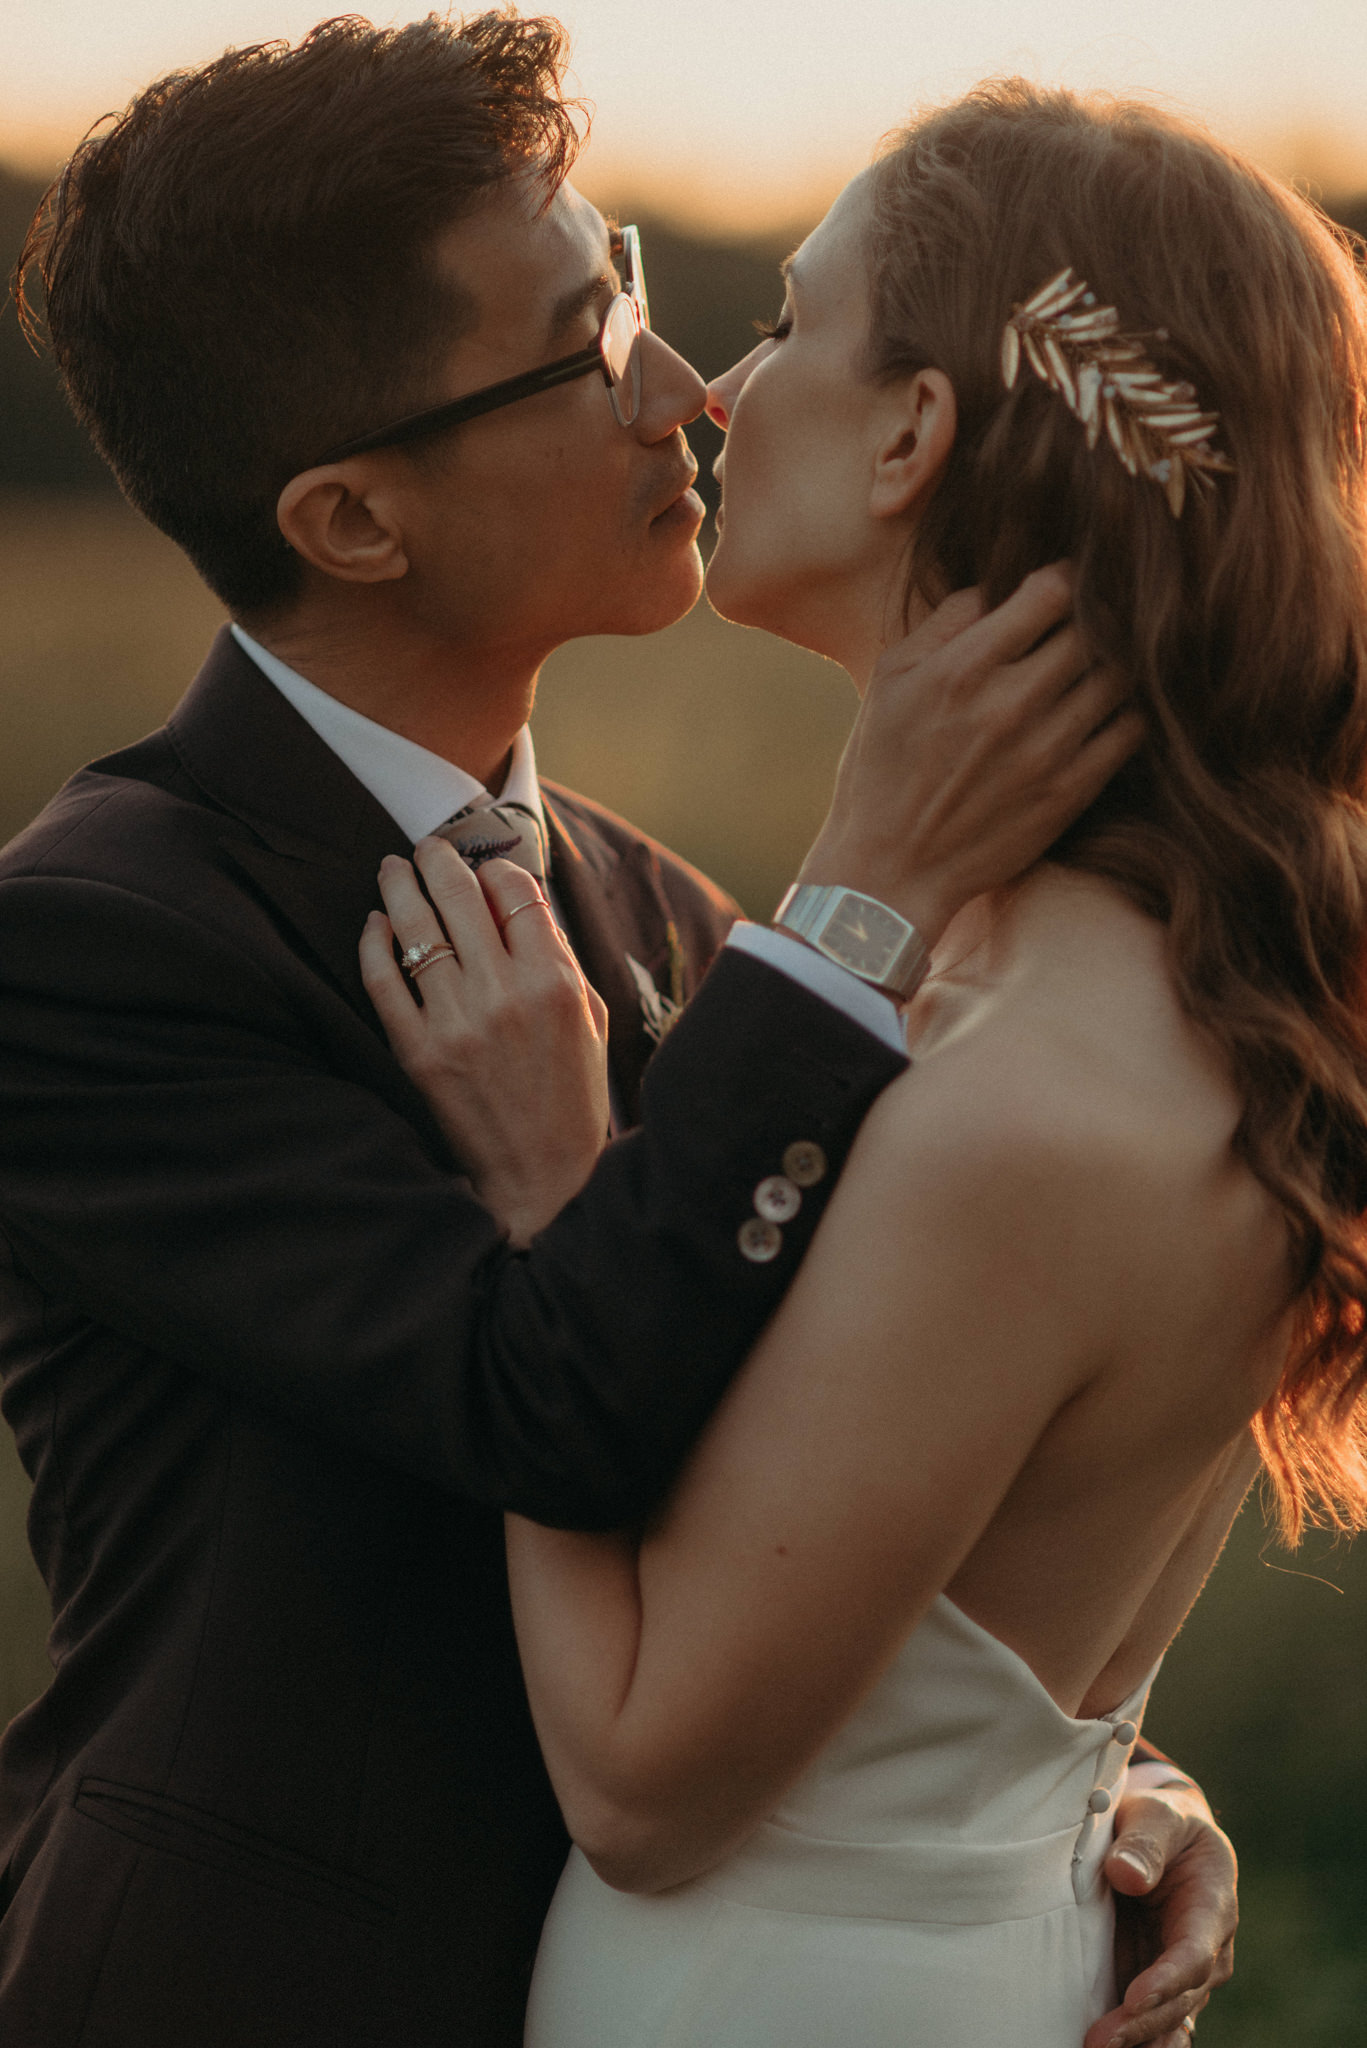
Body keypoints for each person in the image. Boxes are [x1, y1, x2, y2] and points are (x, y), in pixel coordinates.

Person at [0, 17, 1231, 2048]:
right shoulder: (95, 949)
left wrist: (1087, 1788)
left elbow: (832, 1485)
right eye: (582, 349)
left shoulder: (667, 911)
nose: (681, 391)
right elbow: (543, 1400)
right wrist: (866, 885)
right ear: (352, 521)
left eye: (638, 283)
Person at [365, 76, 1367, 2048]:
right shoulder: (1121, 997)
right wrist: (1132, 1796)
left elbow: (649, 1784)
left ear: (918, 430)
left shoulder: (1020, 1103)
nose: (725, 388)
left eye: (790, 322)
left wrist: (560, 1200)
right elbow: (969, 1655)